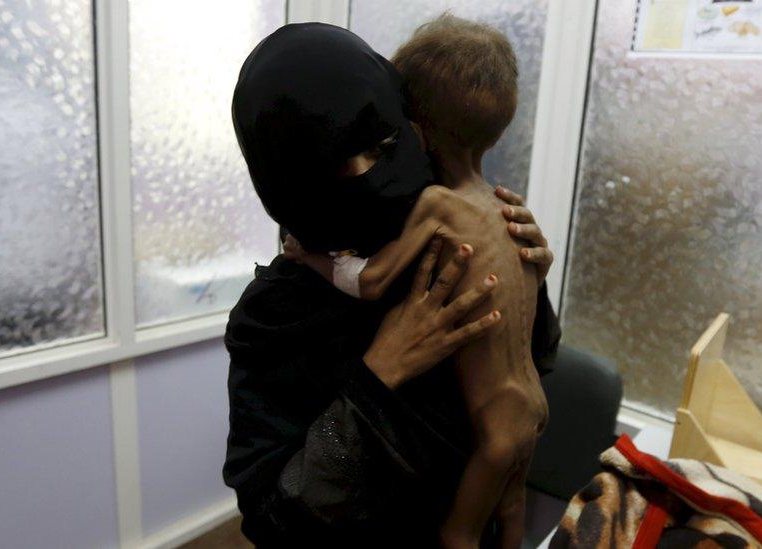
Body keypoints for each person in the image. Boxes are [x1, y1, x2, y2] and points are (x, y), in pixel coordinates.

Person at [224, 22, 560, 546]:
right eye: (334, 166)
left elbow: (538, 358)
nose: (366, 176)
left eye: (382, 146)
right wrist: (377, 378)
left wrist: (530, 273)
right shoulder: (275, 314)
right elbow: (272, 520)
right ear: (286, 184)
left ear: (412, 130)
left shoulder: (447, 236)